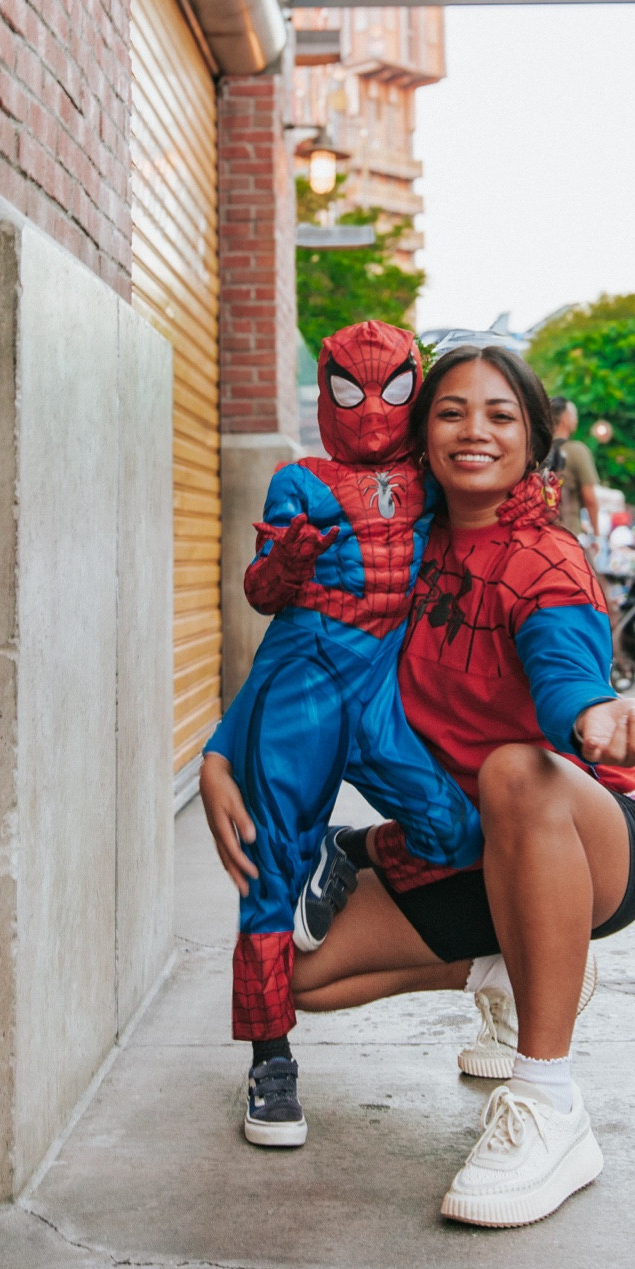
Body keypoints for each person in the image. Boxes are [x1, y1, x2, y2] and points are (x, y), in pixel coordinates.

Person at [203, 347, 635, 1228]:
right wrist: (218, 752)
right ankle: (515, 963)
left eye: (501, 414)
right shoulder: (389, 543)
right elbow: (301, 646)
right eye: (451, 411)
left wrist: (591, 714)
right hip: (467, 845)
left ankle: (549, 1106)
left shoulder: (545, 558)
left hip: (590, 833)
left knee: (513, 767)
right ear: (417, 431)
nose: (474, 430)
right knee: (298, 978)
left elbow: (563, 668)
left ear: (535, 439)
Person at [201, 322, 483, 1149]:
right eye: (351, 392)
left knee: (453, 831)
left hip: (379, 685)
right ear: (325, 392)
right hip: (303, 684)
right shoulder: (298, 479)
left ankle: (346, 852)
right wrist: (286, 566)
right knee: (265, 872)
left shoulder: (430, 476)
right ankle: (270, 1060)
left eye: (392, 390)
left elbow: (489, 513)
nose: (370, 411)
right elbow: (260, 595)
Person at [548, 397, 600, 547]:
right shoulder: (576, 450)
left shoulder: (536, 452)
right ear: (565, 418)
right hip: (568, 535)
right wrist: (596, 535)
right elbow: (590, 498)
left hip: (538, 535)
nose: (576, 420)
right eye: (574, 415)